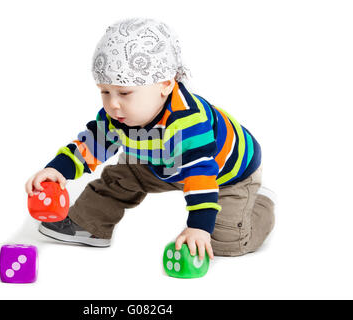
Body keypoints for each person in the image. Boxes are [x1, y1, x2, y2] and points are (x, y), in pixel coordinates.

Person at [25, 18, 275, 261]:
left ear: (165, 85)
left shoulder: (187, 122)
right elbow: (93, 143)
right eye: (105, 91)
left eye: (124, 92)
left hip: (225, 175)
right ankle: (89, 223)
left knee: (224, 242)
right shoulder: (120, 115)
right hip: (162, 161)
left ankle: (261, 204)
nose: (113, 104)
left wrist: (199, 227)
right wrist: (57, 169)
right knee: (121, 175)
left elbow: (201, 176)